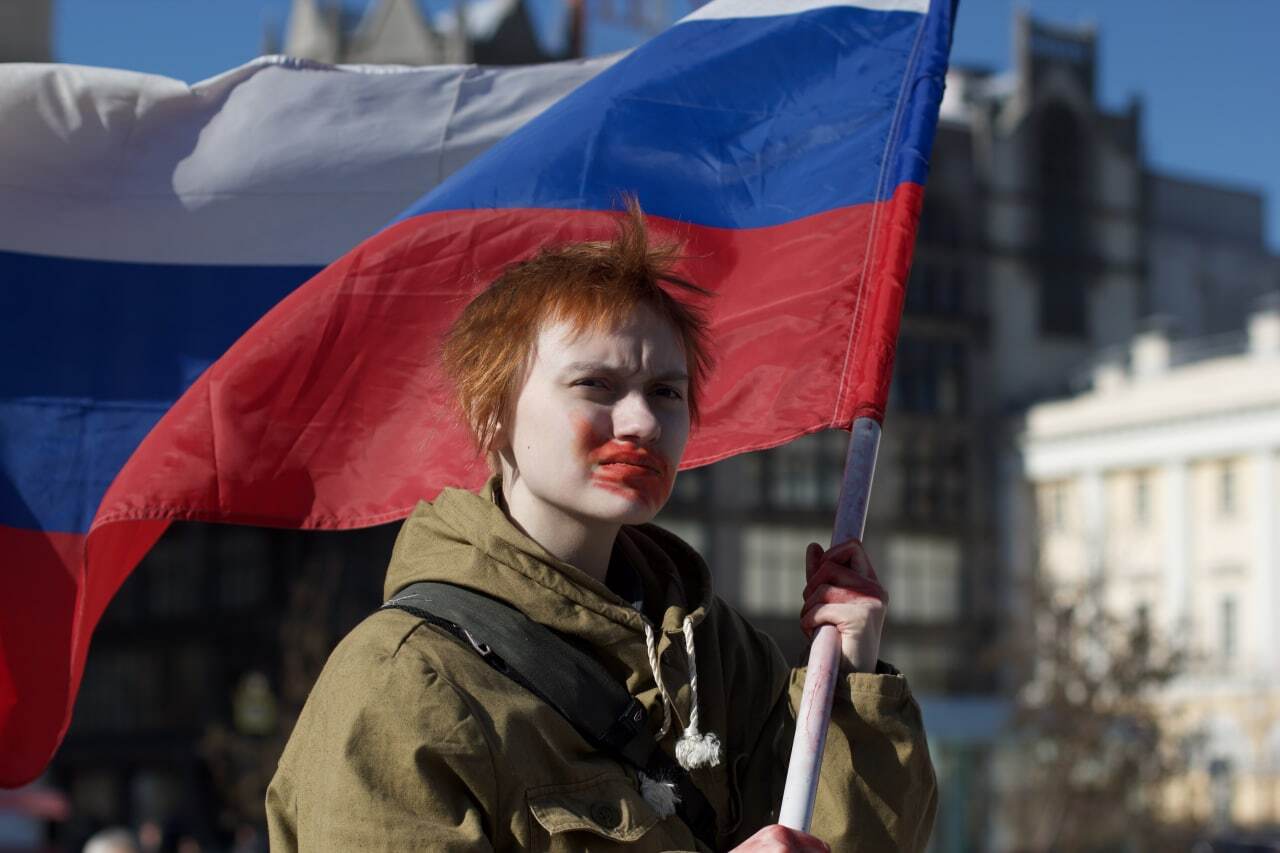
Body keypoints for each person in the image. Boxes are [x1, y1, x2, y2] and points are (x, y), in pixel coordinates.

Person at [265, 202, 936, 851]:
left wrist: (848, 679)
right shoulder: (407, 679)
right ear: (490, 411)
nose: (643, 423)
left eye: (667, 392)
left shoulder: (713, 654)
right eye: (595, 385)